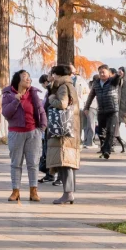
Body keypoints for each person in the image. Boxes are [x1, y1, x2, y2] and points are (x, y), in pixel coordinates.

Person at [1, 69, 46, 201]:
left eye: (29, 77)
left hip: (33, 132)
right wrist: (16, 101)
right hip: (16, 133)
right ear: (18, 80)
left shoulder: (34, 93)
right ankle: (15, 191)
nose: (28, 79)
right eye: (25, 77)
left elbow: (41, 111)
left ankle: (34, 191)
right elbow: (6, 113)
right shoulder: (8, 94)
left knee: (33, 163)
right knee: (16, 164)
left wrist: (42, 128)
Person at [44, 66, 80, 203]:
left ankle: (68, 193)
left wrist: (52, 99)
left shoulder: (63, 87)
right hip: (69, 130)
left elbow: (62, 104)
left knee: (65, 163)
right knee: (66, 162)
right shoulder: (68, 85)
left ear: (56, 74)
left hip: (63, 132)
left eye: (51, 73)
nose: (50, 76)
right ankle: (68, 192)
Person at [83, 65, 121, 159]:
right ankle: (103, 149)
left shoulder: (112, 81)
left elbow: (117, 79)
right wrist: (86, 107)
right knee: (100, 131)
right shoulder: (96, 83)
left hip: (112, 110)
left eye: (103, 72)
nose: (102, 74)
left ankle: (107, 150)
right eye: (100, 72)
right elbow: (91, 96)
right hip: (101, 110)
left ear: (108, 72)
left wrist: (118, 75)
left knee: (110, 131)